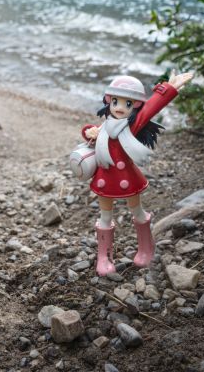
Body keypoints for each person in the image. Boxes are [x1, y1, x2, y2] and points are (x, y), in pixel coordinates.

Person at [81, 72, 193, 276]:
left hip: (127, 178)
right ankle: (104, 256)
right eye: (115, 101)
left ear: (135, 106)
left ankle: (146, 248)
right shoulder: (105, 126)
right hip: (105, 178)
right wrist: (89, 131)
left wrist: (168, 88)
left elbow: (151, 107)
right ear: (109, 101)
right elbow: (91, 134)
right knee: (105, 216)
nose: (119, 107)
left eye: (127, 103)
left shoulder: (131, 126)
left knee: (138, 211)